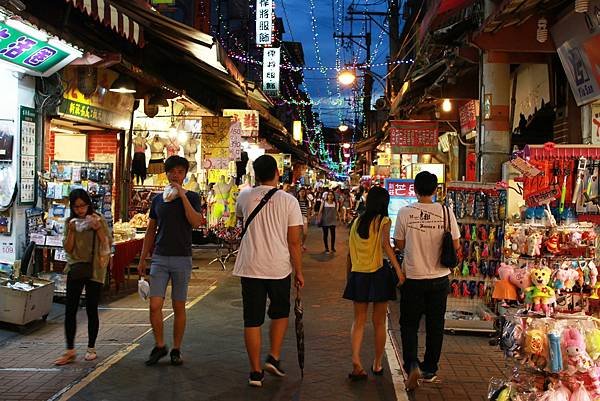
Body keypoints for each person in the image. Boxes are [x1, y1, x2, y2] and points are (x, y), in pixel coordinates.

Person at [233, 154, 305, 387]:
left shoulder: (244, 196)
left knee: (252, 319)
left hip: (250, 265)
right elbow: (294, 241)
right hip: (278, 267)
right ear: (277, 172)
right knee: (280, 312)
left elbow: (240, 218)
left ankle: (255, 372)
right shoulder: (289, 201)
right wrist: (299, 271)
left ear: (255, 173)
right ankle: (273, 355)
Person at [393, 172, 460, 390]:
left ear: (414, 189)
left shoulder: (405, 212)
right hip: (439, 278)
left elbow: (400, 244)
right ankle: (430, 368)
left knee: (409, 324)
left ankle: (412, 364)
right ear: (435, 190)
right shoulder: (446, 212)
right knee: (435, 325)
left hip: (413, 278)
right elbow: (457, 245)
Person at [137, 155, 203, 366]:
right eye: (172, 171)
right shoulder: (158, 200)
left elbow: (195, 222)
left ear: (185, 174)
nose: (175, 175)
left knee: (179, 306)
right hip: (160, 258)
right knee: (155, 304)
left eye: (180, 172)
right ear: (166, 173)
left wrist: (182, 197)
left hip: (182, 258)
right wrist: (142, 257)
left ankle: (176, 348)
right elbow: (150, 230)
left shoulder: (193, 197)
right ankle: (159, 345)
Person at [343, 186, 404, 380]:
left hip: (358, 274)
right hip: (378, 275)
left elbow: (349, 253)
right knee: (379, 323)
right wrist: (399, 271)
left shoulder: (357, 222)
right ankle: (377, 364)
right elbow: (386, 246)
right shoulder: (383, 221)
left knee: (358, 321)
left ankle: (355, 360)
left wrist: (349, 277)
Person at [55, 189, 111, 365]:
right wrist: (71, 231)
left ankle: (91, 348)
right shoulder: (69, 222)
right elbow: (68, 248)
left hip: (95, 269)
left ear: (88, 204)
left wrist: (97, 228)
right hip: (76, 267)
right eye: (76, 206)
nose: (80, 209)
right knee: (70, 309)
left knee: (91, 308)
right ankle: (70, 350)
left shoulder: (97, 219)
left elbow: (106, 243)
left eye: (83, 205)